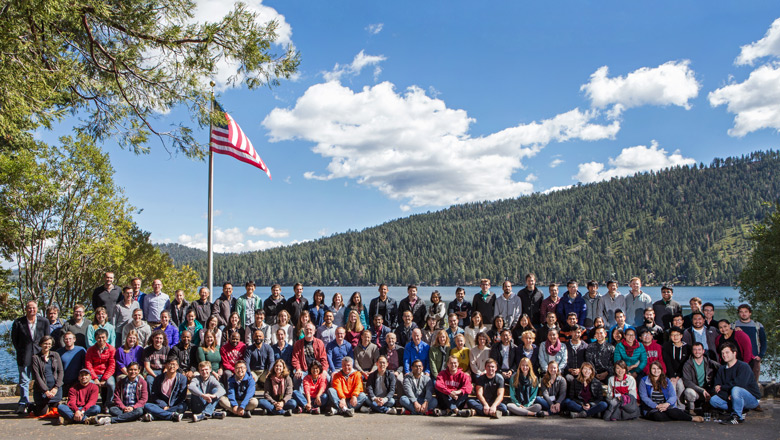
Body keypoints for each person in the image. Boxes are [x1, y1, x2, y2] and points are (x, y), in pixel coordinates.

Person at [11, 300, 50, 414]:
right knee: (24, 380)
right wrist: (22, 350)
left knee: (42, 378)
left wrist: (45, 352)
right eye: (29, 308)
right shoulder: (18, 322)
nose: (31, 310)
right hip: (24, 355)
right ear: (26, 309)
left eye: (33, 308)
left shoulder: (44, 321)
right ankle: (23, 403)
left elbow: (47, 338)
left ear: (37, 309)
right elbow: (15, 340)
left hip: (40, 354)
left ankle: (43, 401)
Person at [710, 342, 761, 425]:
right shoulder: (722, 369)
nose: (724, 355)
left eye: (727, 352)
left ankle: (737, 417)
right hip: (731, 396)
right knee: (714, 400)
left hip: (751, 398)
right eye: (722, 353)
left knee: (736, 390)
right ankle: (740, 411)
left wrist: (723, 388)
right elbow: (716, 387)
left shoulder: (743, 366)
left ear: (734, 353)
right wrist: (725, 392)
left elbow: (741, 384)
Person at [638, 361, 703, 422]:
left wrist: (667, 404)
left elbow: (673, 396)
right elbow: (644, 397)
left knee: (674, 412)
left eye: (658, 369)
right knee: (659, 417)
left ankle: (691, 418)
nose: (656, 371)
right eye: (653, 369)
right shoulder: (644, 380)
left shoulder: (666, 380)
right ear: (650, 370)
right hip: (652, 408)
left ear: (661, 370)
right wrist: (656, 406)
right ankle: (676, 417)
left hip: (666, 406)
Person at [142, 358, 188, 422]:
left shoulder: (182, 378)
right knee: (147, 406)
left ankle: (155, 416)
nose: (172, 366)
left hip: (175, 405)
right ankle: (172, 415)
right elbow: (154, 395)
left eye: (174, 364)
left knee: (182, 406)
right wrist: (164, 405)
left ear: (177, 366)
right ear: (165, 366)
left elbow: (181, 396)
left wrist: (170, 406)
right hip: (161, 405)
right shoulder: (159, 378)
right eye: (169, 364)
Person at [681, 342, 719, 414]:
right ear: (692, 351)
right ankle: (691, 410)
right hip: (696, 390)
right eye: (695, 349)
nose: (697, 352)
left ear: (703, 351)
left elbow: (722, 370)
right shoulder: (688, 364)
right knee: (688, 392)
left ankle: (714, 409)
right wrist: (701, 390)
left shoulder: (710, 363)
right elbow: (687, 381)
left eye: (699, 349)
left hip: (709, 389)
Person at [31, 335, 63, 416]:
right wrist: (46, 391)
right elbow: (36, 376)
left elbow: (60, 371)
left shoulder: (56, 355)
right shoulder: (35, 358)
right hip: (42, 391)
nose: (47, 346)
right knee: (42, 413)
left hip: (54, 390)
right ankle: (31, 407)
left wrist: (56, 388)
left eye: (49, 344)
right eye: (45, 343)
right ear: (41, 344)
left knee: (56, 413)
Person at [733, 304, 767, 382]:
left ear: (750, 313)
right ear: (739, 313)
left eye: (746, 311)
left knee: (754, 382)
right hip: (738, 358)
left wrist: (760, 355)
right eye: (741, 312)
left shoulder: (757, 326)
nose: (744, 314)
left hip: (754, 357)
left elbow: (763, 342)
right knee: (739, 380)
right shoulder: (733, 326)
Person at [85, 328, 116, 410]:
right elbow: (88, 365)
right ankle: (91, 405)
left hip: (106, 374)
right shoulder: (90, 350)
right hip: (94, 374)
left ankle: (108, 404)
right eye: (99, 337)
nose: (101, 339)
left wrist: (104, 378)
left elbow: (112, 365)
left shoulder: (111, 349)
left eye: (103, 337)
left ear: (106, 338)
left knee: (111, 384)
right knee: (88, 384)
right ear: (95, 338)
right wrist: (94, 378)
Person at [292, 322, 329, 386]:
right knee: (297, 378)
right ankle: (300, 395)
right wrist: (298, 369)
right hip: (304, 370)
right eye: (306, 329)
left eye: (310, 329)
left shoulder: (319, 343)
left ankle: (322, 395)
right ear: (304, 331)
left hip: (317, 370)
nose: (308, 331)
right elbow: (295, 359)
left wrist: (324, 370)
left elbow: (324, 359)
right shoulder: (298, 344)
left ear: (314, 331)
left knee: (328, 378)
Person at [662, 327, 691, 407]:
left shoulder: (688, 348)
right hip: (670, 374)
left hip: (682, 374)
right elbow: (667, 362)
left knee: (681, 386)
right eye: (673, 335)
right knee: (672, 386)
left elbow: (686, 364)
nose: (675, 337)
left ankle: (681, 408)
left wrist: (678, 376)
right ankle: (672, 407)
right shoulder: (666, 346)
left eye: (677, 335)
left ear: (681, 335)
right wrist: (672, 376)